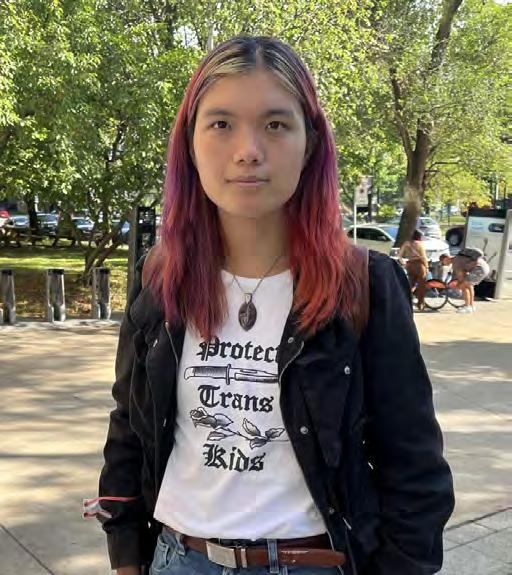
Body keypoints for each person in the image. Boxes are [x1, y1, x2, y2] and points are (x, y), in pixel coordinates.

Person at [89, 36, 454, 575]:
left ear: (310, 143)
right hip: (179, 559)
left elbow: (414, 470)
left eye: (276, 124)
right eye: (221, 123)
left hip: (312, 561)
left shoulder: (363, 285)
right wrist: (125, 554)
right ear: (189, 142)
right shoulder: (162, 276)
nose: (248, 150)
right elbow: (129, 426)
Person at [397, 229, 429, 310]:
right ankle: (420, 303)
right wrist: (427, 267)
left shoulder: (406, 243)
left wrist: (404, 264)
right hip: (419, 266)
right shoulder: (420, 244)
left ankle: (405, 301)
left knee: (411, 284)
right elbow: (423, 257)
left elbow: (399, 255)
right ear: (419, 236)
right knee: (422, 285)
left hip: (410, 265)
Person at [451, 248, 490, 313]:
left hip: (479, 269)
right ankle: (471, 306)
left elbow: (461, 278)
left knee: (463, 286)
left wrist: (458, 285)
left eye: (442, 262)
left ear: (446, 259)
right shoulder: (459, 258)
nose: (442, 264)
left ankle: (467, 307)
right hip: (484, 267)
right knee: (469, 286)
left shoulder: (455, 262)